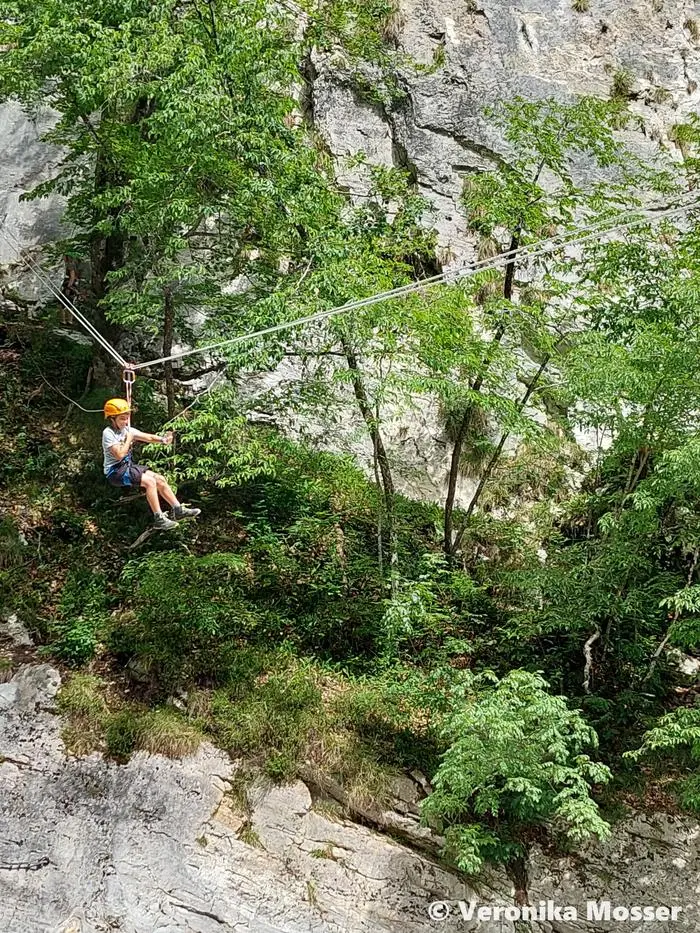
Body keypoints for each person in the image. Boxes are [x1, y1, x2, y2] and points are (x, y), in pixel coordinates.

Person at [102, 398, 200, 531]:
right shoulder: (108, 433)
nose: (125, 422)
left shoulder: (127, 430)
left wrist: (163, 440)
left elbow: (147, 437)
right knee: (149, 482)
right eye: (122, 419)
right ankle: (159, 519)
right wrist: (129, 439)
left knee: (159, 479)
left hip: (127, 466)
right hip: (115, 472)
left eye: (126, 418)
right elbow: (119, 455)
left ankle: (178, 510)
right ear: (112, 419)